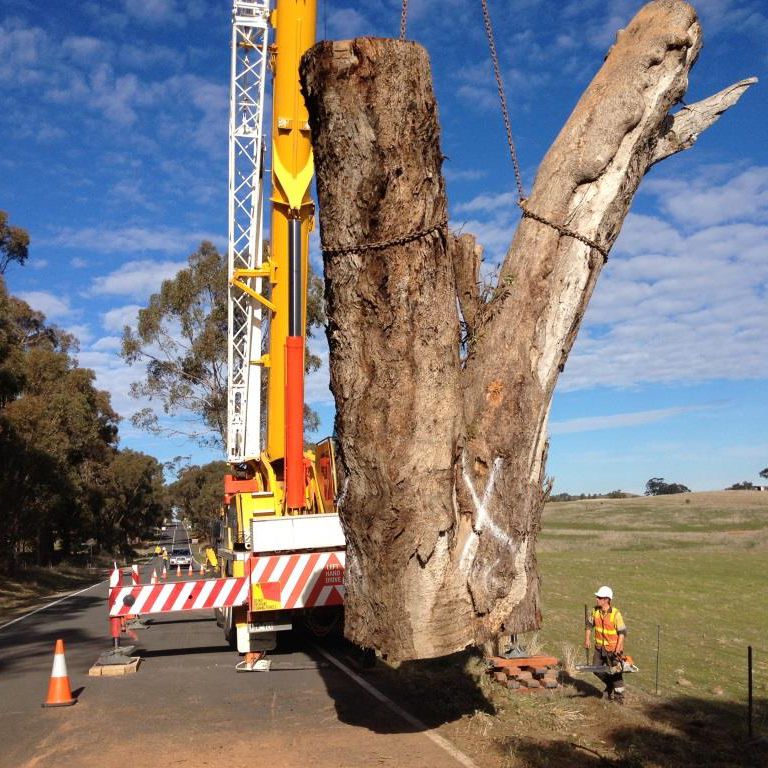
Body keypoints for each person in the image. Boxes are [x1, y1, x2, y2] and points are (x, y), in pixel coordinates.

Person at [585, 585, 627, 703]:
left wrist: (618, 649)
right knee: (596, 669)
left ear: (606, 600)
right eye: (597, 597)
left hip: (613, 650)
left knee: (616, 674)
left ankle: (619, 699)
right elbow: (589, 625)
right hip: (599, 648)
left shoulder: (615, 614)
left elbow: (622, 633)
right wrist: (587, 639)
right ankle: (610, 685)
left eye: (599, 597)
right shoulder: (595, 611)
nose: (597, 599)